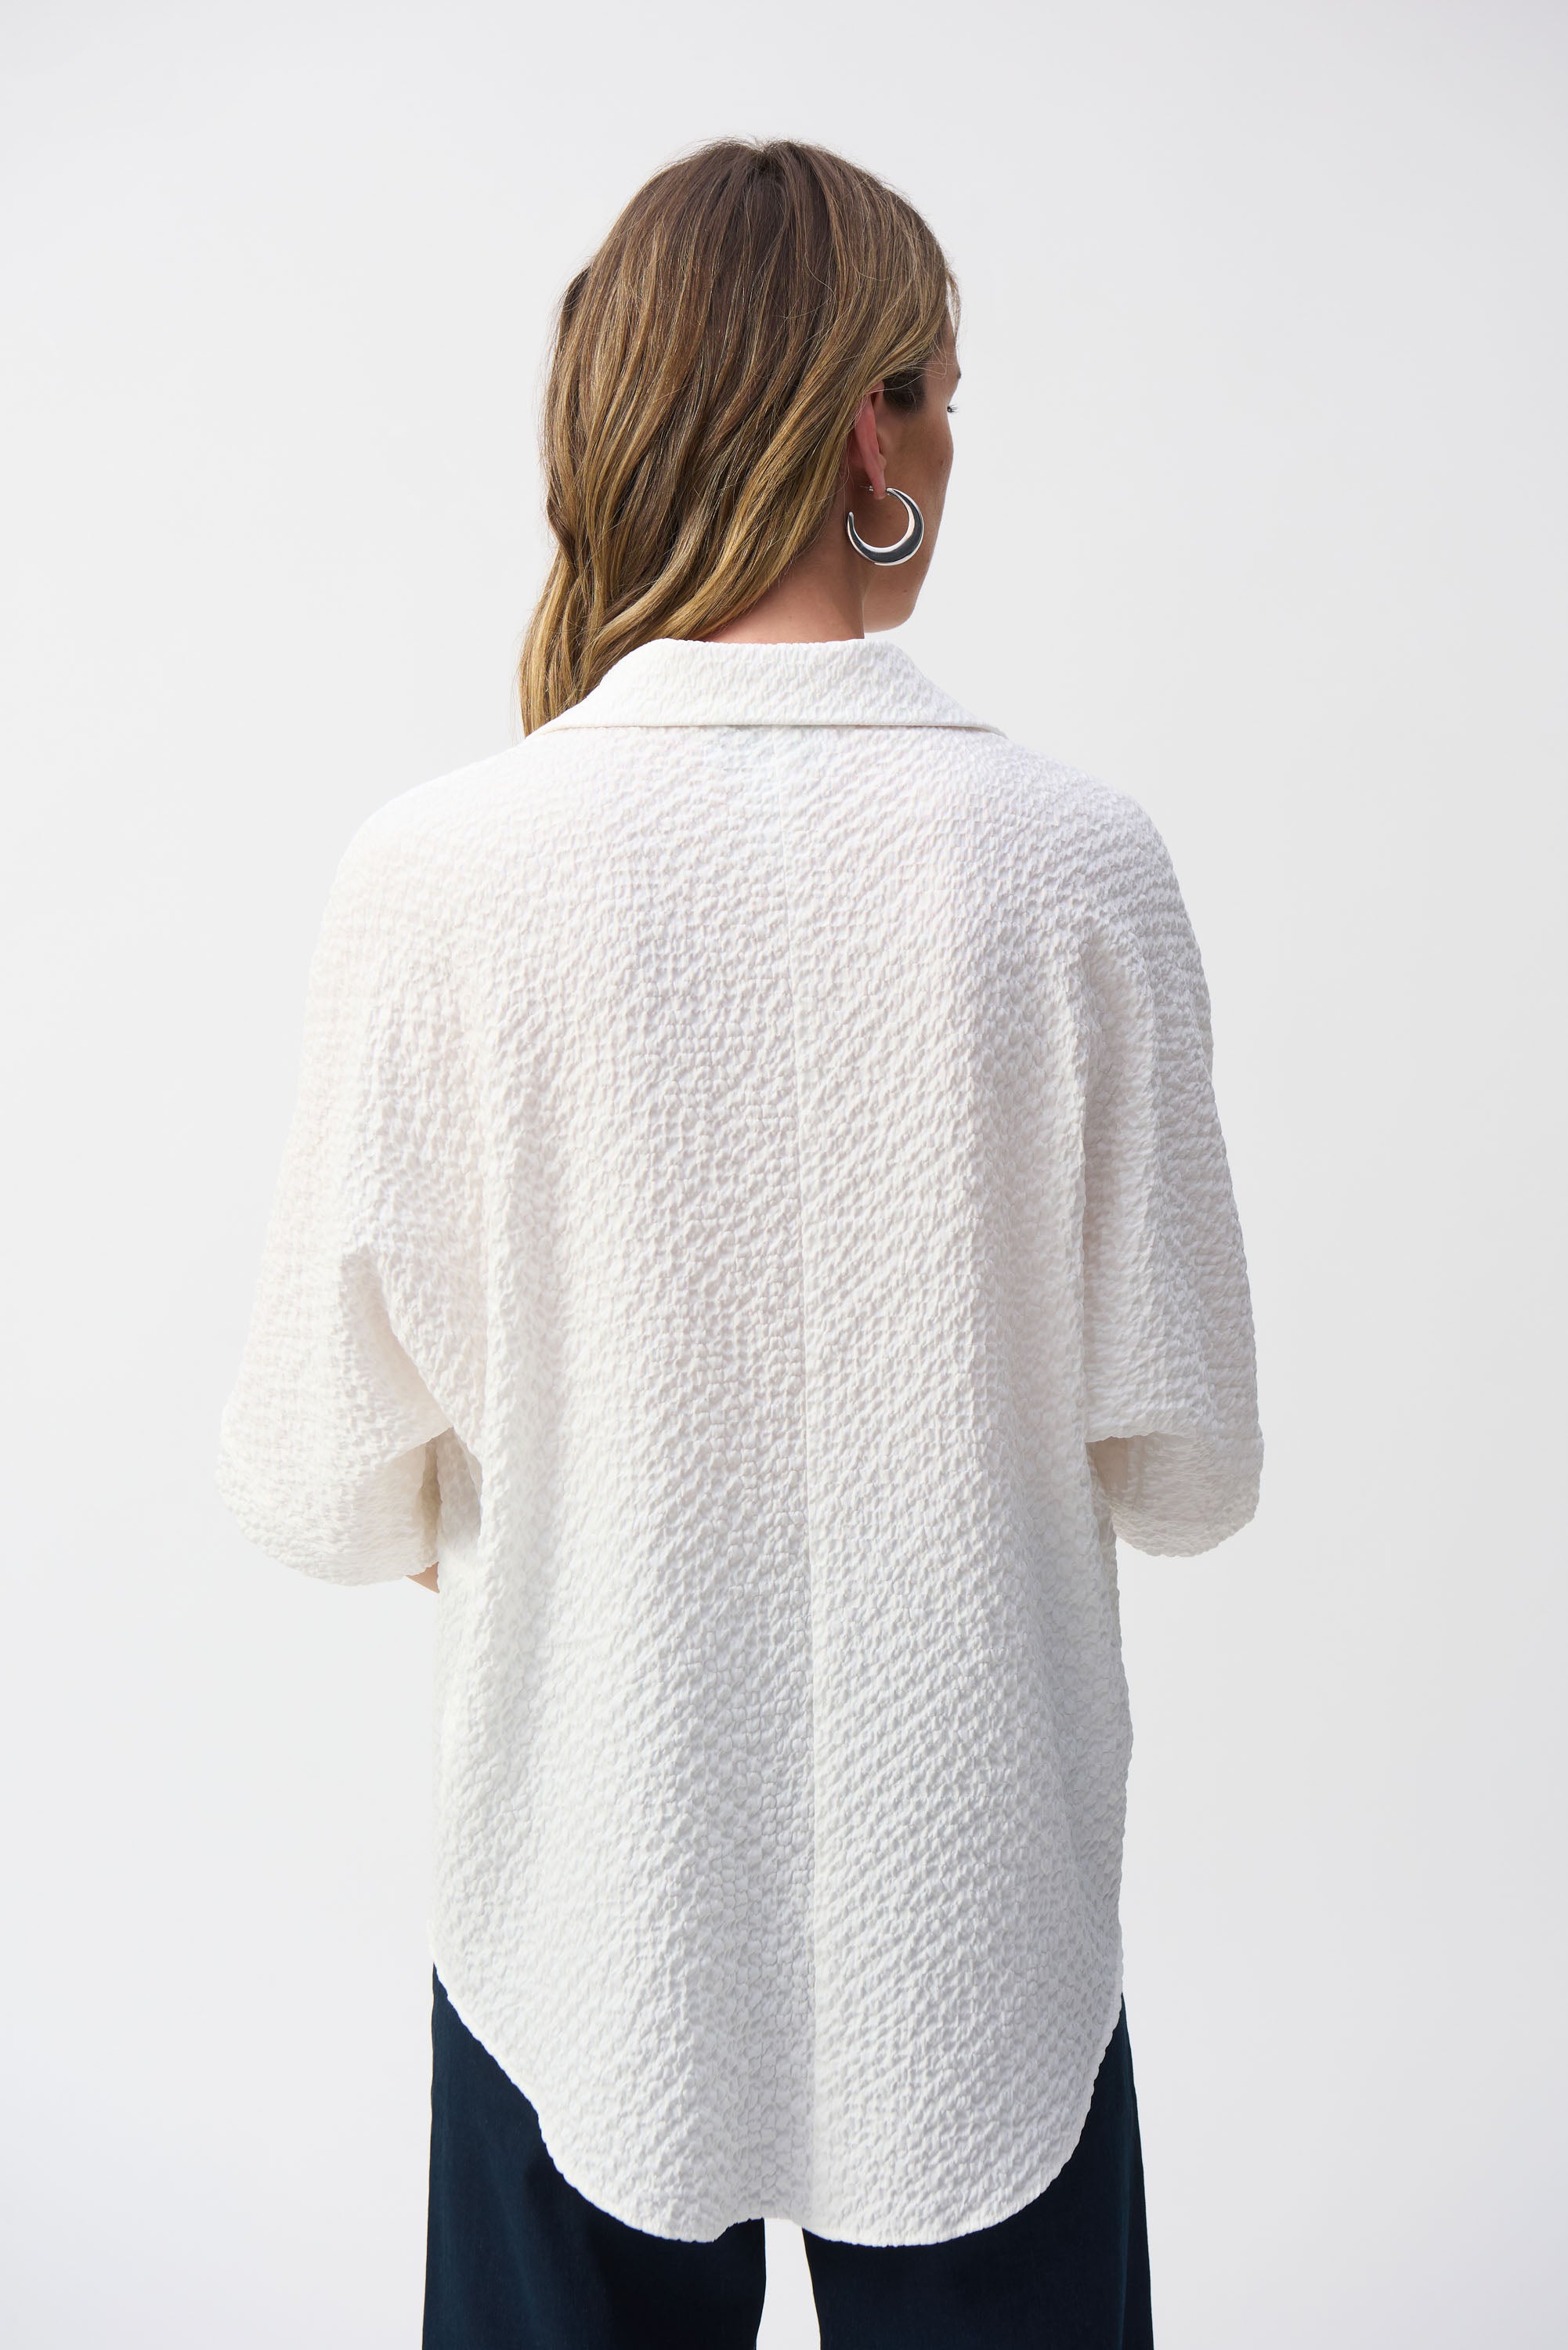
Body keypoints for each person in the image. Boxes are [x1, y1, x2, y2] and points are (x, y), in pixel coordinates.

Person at [217, 136, 1262, 2348]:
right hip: (979, 1918)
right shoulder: (1076, 865)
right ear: (871, 430)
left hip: (577, 1905)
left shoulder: (439, 874)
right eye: (944, 393)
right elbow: (1188, 1466)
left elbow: (320, 1479)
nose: (953, 446)